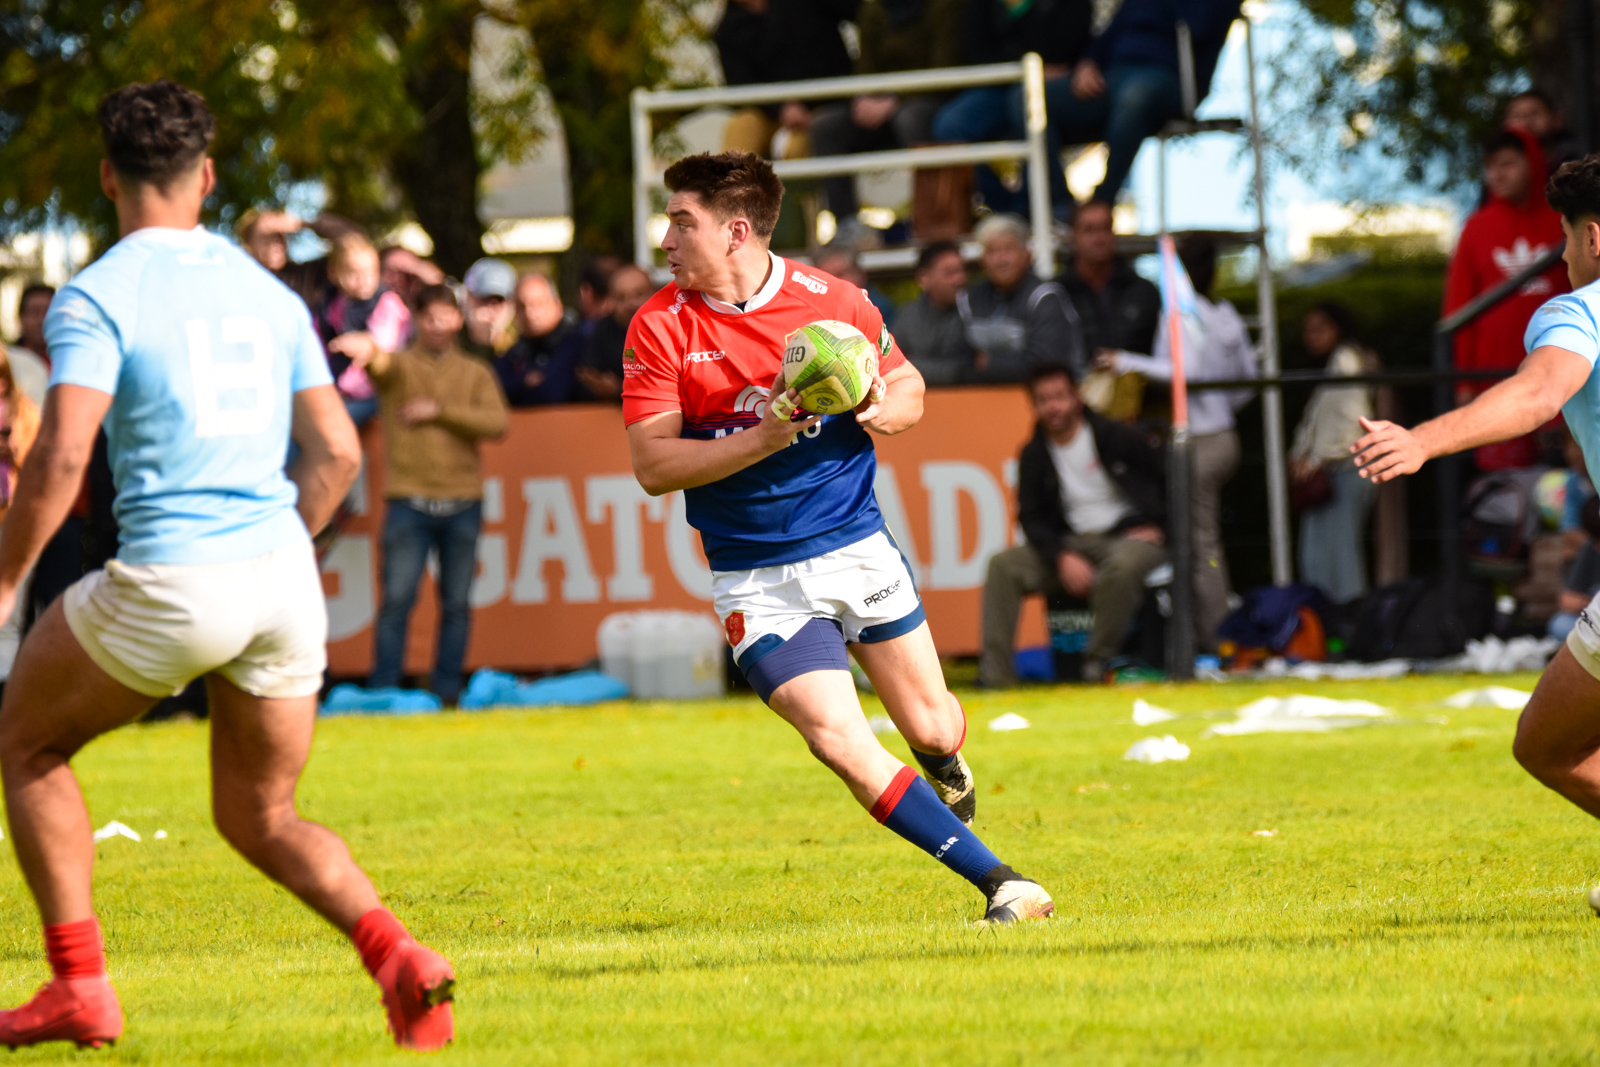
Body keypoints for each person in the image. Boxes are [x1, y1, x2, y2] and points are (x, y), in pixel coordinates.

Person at [0, 80, 454, 1051]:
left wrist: (4, 581)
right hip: (283, 578)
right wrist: (280, 541)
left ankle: (80, 983)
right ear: (206, 176)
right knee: (262, 812)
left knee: (28, 745)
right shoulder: (269, 291)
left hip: (174, 574)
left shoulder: (98, 294)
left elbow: (62, 456)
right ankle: (399, 953)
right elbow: (336, 452)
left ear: (106, 176)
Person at [625, 150, 1053, 923]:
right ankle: (1006, 884)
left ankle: (944, 757)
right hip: (754, 579)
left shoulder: (834, 303)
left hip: (855, 548)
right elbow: (654, 464)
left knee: (928, 723)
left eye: (682, 223)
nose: (666, 240)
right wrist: (765, 435)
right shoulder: (659, 327)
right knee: (838, 741)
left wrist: (889, 408)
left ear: (737, 231)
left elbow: (910, 385)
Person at [1349, 154, 1600, 917]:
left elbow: (1537, 390)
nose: (1560, 256)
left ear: (1595, 236)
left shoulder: (1577, 309)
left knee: (1546, 745)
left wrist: (1423, 439)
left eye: (1564, 238)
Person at [346, 285, 508, 706]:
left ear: (458, 320)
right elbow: (380, 366)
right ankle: (384, 693)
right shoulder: (400, 367)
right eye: (429, 318)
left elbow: (497, 423)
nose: (438, 326)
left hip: (462, 503)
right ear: (416, 321)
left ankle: (447, 692)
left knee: (456, 604)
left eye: (445, 317)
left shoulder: (475, 372)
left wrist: (438, 411)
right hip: (408, 503)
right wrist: (367, 349)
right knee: (396, 602)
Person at [1099, 237, 1256, 651]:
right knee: (1205, 541)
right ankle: (1214, 632)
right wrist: (1220, 408)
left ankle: (1216, 638)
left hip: (1201, 441)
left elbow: (1184, 370)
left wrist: (1124, 361)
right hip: (1226, 434)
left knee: (1198, 544)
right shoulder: (1226, 314)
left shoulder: (1182, 314)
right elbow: (1248, 381)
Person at [981, 364, 1167, 686]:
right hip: (1071, 543)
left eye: (1059, 397)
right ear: (1034, 405)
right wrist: (1061, 556)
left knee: (1123, 566)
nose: (1053, 406)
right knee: (1003, 566)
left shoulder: (1117, 436)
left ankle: (1097, 665)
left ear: (1077, 397)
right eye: (1043, 399)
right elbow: (1031, 517)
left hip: (1127, 538)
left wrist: (1161, 526)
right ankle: (996, 677)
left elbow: (1169, 482)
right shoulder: (1034, 453)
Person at [1445, 127, 1569, 471]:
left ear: (1531, 162)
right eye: (1490, 166)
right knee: (1505, 492)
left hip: (1561, 377)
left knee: (1563, 486)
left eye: (1508, 163)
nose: (1497, 174)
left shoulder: (1563, 220)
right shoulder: (1476, 228)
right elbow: (1459, 309)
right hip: (1496, 382)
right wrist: (1464, 383)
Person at [1050, 0, 1243, 204]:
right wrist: (1088, 63)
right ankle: (1057, 203)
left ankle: (1102, 201)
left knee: (1134, 96)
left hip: (1168, 79)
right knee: (1029, 100)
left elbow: (1201, 26)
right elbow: (1112, 31)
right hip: (1112, 78)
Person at [808, 0, 964, 242]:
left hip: (933, 99)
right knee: (826, 127)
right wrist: (863, 97)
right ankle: (848, 226)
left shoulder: (945, 6)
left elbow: (945, 69)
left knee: (911, 118)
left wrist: (895, 100)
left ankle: (931, 221)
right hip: (884, 104)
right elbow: (865, 67)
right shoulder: (874, 9)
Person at [930, 0, 1093, 218]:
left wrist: (1038, 66)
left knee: (1026, 106)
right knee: (950, 125)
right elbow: (976, 51)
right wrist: (1026, 64)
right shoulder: (981, 5)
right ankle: (1002, 208)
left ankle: (1051, 203)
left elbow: (1069, 44)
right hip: (996, 86)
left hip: (1050, 87)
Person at [1289, 302, 1376, 603]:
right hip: (1335, 469)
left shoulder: (1345, 361)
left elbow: (1348, 421)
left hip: (1345, 469)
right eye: (1308, 330)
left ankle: (1344, 623)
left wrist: (1313, 459)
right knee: (1326, 553)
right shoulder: (1338, 362)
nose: (1311, 337)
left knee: (1338, 555)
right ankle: (1333, 623)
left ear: (1338, 330)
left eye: (1320, 329)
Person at [715, 0, 859, 159]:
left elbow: (861, 13)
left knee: (797, 149)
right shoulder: (727, 29)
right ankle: (734, 183)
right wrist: (781, 108)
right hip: (773, 113)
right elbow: (740, 87)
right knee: (740, 128)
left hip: (827, 106)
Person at [957, 215, 1086, 382]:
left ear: (1028, 255)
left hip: (1047, 402)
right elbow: (957, 360)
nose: (1001, 260)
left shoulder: (1045, 297)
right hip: (980, 400)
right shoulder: (968, 299)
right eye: (992, 251)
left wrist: (989, 363)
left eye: (1009, 249)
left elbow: (1046, 365)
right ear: (982, 260)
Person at [321, 232, 412, 430]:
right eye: (354, 273)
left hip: (377, 392)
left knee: (334, 427)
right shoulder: (332, 305)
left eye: (371, 272)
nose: (364, 280)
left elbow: (385, 344)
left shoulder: (387, 303)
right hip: (341, 390)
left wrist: (363, 342)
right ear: (334, 273)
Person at [1060, 200, 1161, 360]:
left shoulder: (1144, 292)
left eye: (1106, 228)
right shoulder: (1057, 293)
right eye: (1089, 230)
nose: (1099, 238)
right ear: (1073, 237)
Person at [0, 349, 41, 679]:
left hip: (13, 521)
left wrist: (15, 452)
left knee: (8, 614)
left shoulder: (25, 413)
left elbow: (43, 465)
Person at [495, 272, 586, 407]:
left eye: (538, 304)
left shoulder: (578, 345)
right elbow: (495, 389)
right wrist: (524, 382)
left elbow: (552, 393)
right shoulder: (515, 352)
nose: (529, 314)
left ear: (557, 305)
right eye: (521, 306)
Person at [892, 241, 975, 386]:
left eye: (962, 271)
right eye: (950, 273)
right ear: (924, 278)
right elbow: (892, 365)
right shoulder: (908, 316)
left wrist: (914, 366)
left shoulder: (976, 312)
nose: (959, 279)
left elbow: (972, 368)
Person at [577, 264, 654, 402]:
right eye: (621, 298)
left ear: (654, 293)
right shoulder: (602, 330)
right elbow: (587, 378)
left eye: (638, 294)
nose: (631, 304)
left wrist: (619, 390)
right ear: (611, 302)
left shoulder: (672, 328)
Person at [813, 245, 896, 323]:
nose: (833, 282)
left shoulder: (880, 309)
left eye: (840, 274)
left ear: (859, 275)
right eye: (825, 277)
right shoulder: (810, 309)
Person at [1505, 89, 1576, 176]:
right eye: (1517, 116)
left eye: (1534, 114)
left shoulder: (1577, 162)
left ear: (1557, 120)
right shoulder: (1500, 175)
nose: (1525, 122)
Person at [459, 257, 518, 359]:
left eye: (500, 300)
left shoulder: (520, 352)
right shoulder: (448, 345)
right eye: (484, 298)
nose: (492, 307)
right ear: (468, 298)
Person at [6, 284, 52, 405]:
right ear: (20, 317)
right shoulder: (7, 361)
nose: (41, 320)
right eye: (34, 312)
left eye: (47, 312)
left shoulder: (69, 361)